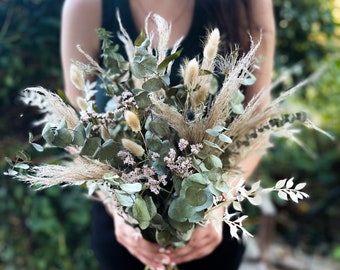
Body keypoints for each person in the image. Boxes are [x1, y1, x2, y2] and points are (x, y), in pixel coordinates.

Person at [61, 0, 276, 269]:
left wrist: (217, 204)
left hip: (210, 235)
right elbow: (76, 129)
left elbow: (258, 128)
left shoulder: (245, 5)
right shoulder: (86, 6)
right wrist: (117, 203)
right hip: (125, 238)